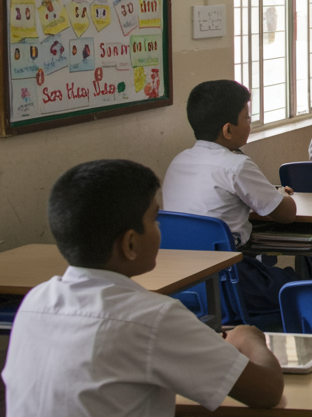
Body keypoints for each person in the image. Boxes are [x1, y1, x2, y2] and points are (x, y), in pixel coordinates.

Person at [2, 159, 284, 415]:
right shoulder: (153, 317)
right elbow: (267, 392)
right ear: (130, 243)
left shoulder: (35, 301)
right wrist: (249, 338)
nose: (160, 228)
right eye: (154, 219)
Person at [162, 80, 299, 323]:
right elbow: (287, 214)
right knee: (298, 285)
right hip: (232, 280)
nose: (250, 123)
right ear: (228, 130)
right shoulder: (236, 165)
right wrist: (282, 194)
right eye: (247, 118)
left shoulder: (178, 161)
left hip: (185, 282)